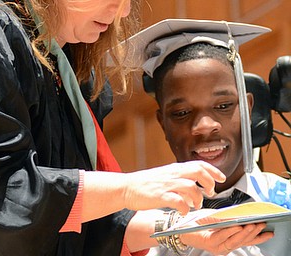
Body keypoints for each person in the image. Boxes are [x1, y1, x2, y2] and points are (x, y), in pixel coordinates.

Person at [0, 1, 273, 255]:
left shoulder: (73, 71)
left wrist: (179, 229)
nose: (124, 11)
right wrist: (127, 189)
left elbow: (73, 224)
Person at [122, 18, 291, 255]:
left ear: (247, 108)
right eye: (181, 113)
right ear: (163, 124)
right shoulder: (142, 226)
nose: (204, 126)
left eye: (223, 106)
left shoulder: (286, 201)